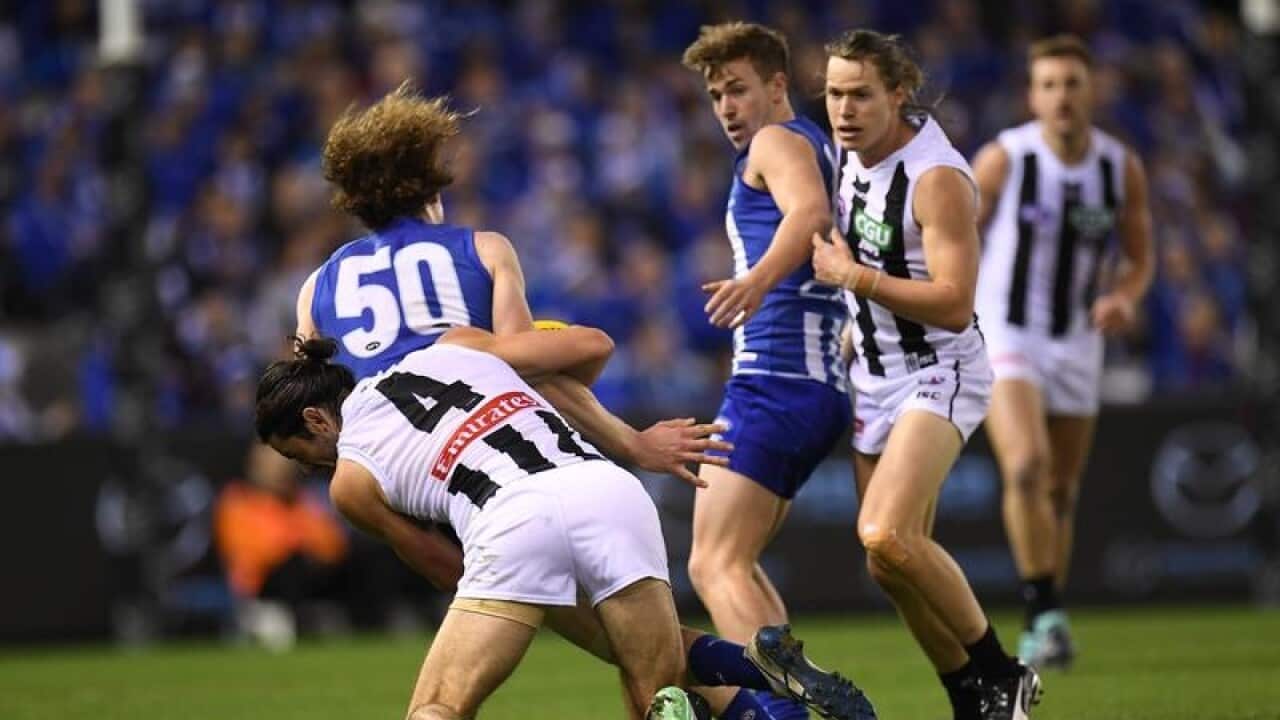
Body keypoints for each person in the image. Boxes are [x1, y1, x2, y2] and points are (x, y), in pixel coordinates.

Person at [254, 330, 875, 720]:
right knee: (657, 686)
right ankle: (759, 668)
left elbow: (445, 566)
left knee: (438, 706)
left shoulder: (350, 481)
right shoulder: (457, 343)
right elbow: (589, 346)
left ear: (317, 418)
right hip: (608, 490)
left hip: (509, 519)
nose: (306, 468)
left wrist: (531, 598)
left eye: (296, 453)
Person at [296, 81, 721, 488]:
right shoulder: (485, 249)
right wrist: (634, 443)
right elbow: (528, 370)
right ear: (432, 189)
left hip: (384, 473)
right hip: (479, 454)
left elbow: (309, 398)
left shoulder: (315, 287)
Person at [810, 30, 1040, 720]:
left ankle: (1005, 671)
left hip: (939, 370)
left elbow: (953, 301)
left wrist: (855, 279)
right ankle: (969, 699)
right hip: (874, 376)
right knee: (891, 562)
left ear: (899, 94)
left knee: (886, 533)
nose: (844, 110)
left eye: (860, 95)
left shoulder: (936, 177)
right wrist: (856, 319)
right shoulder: (849, 158)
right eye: (833, 94)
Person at [680, 22, 850, 720]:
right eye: (717, 94)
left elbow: (809, 215)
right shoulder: (815, 146)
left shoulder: (778, 142)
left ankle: (783, 716)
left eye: (739, 89)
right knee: (737, 561)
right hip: (810, 385)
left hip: (775, 381)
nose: (726, 107)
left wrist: (754, 285)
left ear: (777, 86)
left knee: (711, 564)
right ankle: (806, 697)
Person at [970, 34, 1153, 668]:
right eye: (1048, 85)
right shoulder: (1005, 159)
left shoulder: (1118, 167)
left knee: (1062, 490)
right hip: (1008, 332)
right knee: (1026, 466)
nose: (1061, 96)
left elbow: (1139, 255)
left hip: (1078, 340)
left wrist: (1126, 297)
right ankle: (1043, 613)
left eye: (1072, 83)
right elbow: (951, 232)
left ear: (1091, 89)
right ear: (1032, 96)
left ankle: (1043, 616)